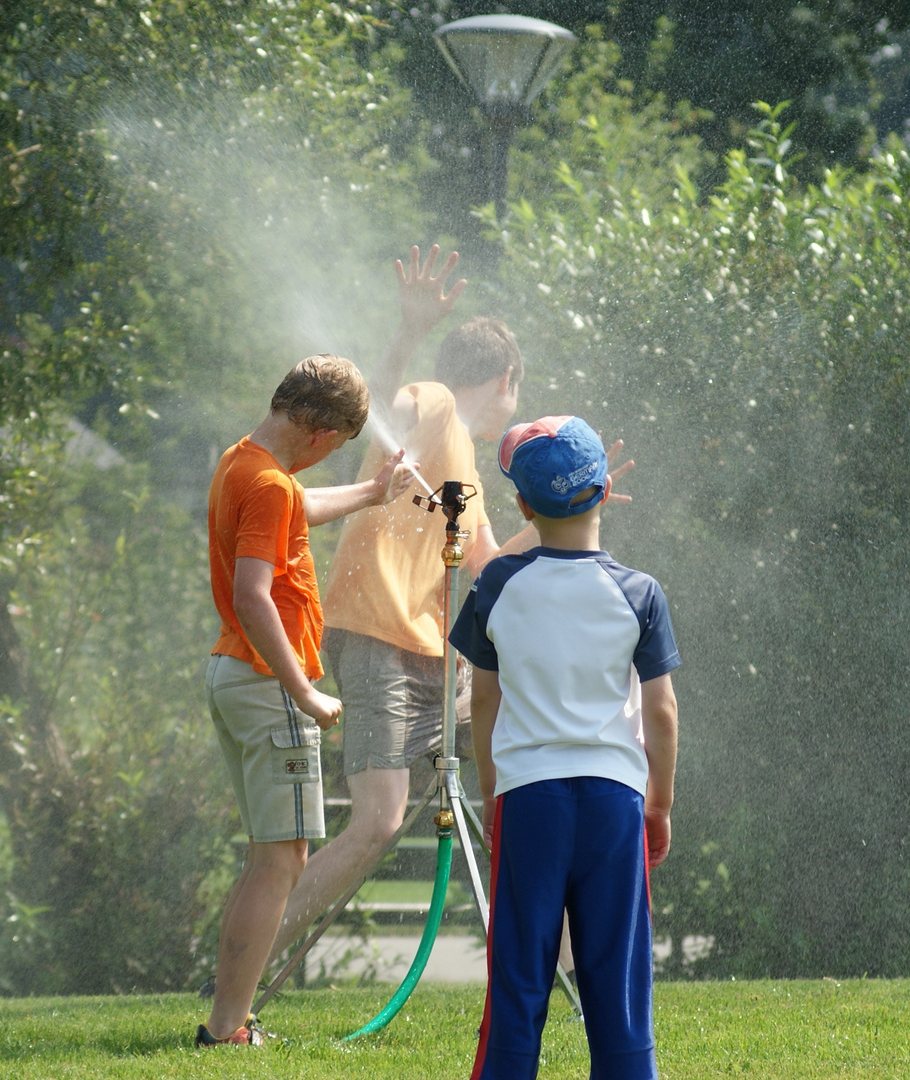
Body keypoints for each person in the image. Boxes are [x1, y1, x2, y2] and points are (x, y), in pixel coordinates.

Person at [269, 245, 633, 951]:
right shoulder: (433, 404)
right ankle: (248, 963)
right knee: (378, 820)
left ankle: (550, 959)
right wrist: (407, 334)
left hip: (439, 660)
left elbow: (492, 563)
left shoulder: (465, 470)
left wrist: (573, 506)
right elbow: (380, 407)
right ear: (505, 378)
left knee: (531, 788)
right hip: (377, 633)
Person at [450, 415, 680, 1080]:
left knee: (519, 975)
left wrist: (492, 791)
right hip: (614, 802)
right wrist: (657, 802)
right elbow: (660, 711)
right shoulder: (639, 593)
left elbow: (485, 700)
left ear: (520, 505)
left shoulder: (495, 586)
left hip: (531, 800)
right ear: (606, 491)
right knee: (619, 985)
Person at [199, 354, 413, 1046]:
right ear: (321, 436)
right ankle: (227, 1026)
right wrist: (305, 691)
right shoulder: (268, 485)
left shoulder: (247, 463)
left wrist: (368, 493)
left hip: (237, 678)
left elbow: (295, 509)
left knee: (273, 856)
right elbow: (251, 595)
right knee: (283, 860)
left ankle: (230, 1017)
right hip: (269, 687)